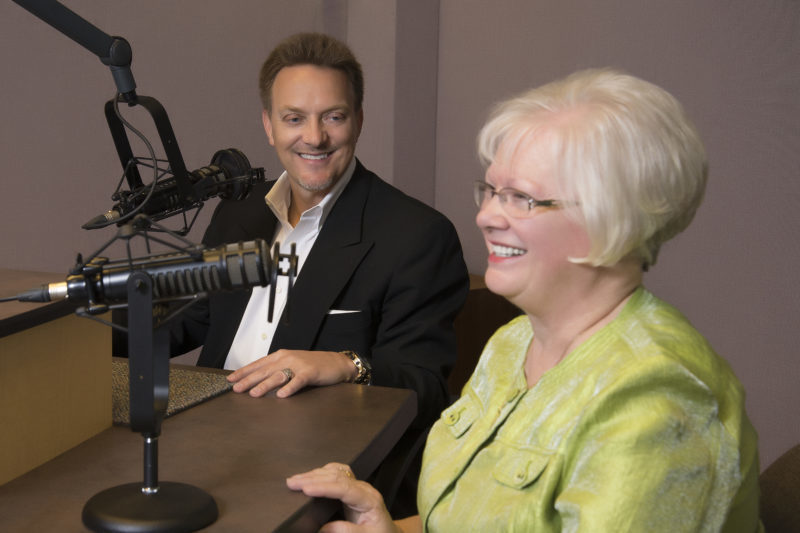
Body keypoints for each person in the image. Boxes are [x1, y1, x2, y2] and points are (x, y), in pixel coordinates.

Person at [286, 68, 763, 532]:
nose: (486, 217)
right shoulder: (513, 343)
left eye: (521, 198)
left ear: (611, 219)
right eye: (491, 191)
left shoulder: (659, 402)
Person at [169, 32, 469, 513]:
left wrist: (343, 363)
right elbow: (193, 316)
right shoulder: (239, 212)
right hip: (204, 446)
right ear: (269, 126)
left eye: (333, 116)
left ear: (358, 121)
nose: (314, 137)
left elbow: (425, 387)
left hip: (314, 470)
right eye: (294, 118)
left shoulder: (417, 234)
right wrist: (72, 335)